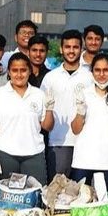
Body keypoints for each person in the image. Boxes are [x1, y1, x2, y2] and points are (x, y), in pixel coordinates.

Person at [0, 53, 54, 185]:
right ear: (9, 72)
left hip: (34, 153)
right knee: (7, 199)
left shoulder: (39, 94)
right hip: (6, 154)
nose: (19, 74)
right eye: (14, 70)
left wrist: (50, 108)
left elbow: (47, 127)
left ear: (29, 71)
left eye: (23, 70)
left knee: (36, 197)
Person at [70, 53, 108, 190]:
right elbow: (75, 129)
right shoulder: (83, 94)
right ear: (92, 72)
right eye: (97, 70)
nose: (101, 74)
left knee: (103, 204)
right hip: (83, 160)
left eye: (106, 70)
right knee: (80, 203)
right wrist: (81, 112)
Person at [40, 30, 94, 182]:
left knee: (82, 191)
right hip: (58, 142)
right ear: (61, 49)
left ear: (81, 48)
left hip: (84, 142)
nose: (71, 51)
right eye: (67, 47)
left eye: (75, 47)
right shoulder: (50, 78)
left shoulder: (90, 77)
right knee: (57, 191)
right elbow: (43, 113)